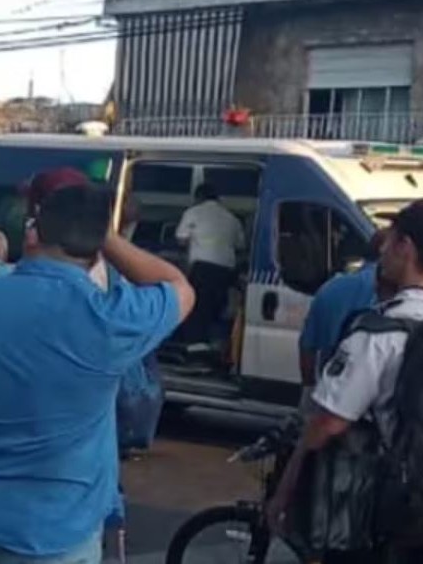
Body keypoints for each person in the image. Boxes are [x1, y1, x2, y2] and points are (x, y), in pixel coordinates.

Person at [0, 185, 194, 564]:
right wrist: (103, 235)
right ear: (97, 249)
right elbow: (179, 286)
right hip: (61, 531)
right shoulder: (112, 321)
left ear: (31, 234)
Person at [268, 202, 423, 563]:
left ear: (407, 248)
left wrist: (285, 490)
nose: (382, 249)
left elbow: (328, 422)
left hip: (400, 507)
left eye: (391, 241)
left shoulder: (382, 332)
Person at [297, 232, 386, 395]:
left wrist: (308, 389)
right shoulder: (399, 293)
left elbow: (307, 348)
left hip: (329, 392)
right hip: (376, 403)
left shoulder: (331, 288)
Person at [175, 183, 245, 347]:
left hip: (203, 269)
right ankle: (213, 345)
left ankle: (193, 347)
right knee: (217, 308)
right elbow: (241, 245)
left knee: (197, 309)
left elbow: (180, 239)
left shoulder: (193, 212)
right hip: (226, 271)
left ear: (198, 197)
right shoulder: (232, 218)